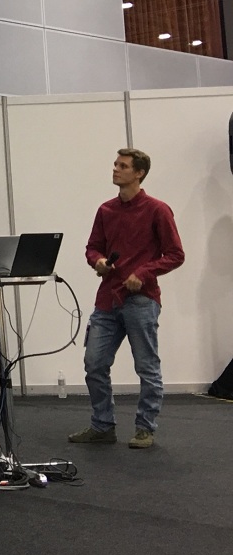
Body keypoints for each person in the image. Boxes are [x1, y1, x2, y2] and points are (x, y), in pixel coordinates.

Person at [69, 148, 184, 449]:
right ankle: (102, 426)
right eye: (115, 164)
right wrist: (98, 261)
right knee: (94, 363)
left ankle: (145, 428)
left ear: (139, 173)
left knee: (146, 366)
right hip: (107, 298)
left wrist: (144, 272)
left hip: (142, 299)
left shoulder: (158, 210)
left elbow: (175, 254)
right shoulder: (106, 210)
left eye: (123, 166)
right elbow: (93, 247)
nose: (115, 169)